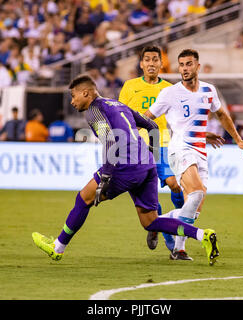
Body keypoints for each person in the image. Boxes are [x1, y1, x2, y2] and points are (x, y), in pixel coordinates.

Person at [32, 75, 220, 265]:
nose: (72, 102)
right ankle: (202, 234)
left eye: (73, 96)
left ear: (86, 93)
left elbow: (110, 140)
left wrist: (105, 177)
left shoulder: (93, 110)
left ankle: (58, 247)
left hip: (123, 166)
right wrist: (152, 158)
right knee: (150, 222)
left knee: (83, 199)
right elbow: (152, 126)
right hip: (146, 165)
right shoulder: (116, 104)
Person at [144, 49, 243, 261]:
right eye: (181, 65)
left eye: (189, 64)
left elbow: (221, 114)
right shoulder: (170, 93)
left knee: (193, 208)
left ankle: (161, 225)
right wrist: (142, 140)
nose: (184, 69)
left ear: (198, 66)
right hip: (179, 149)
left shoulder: (208, 90)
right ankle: (182, 246)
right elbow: (147, 117)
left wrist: (238, 139)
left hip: (201, 152)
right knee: (196, 193)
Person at [118, 45, 225, 259]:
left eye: (155, 60)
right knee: (150, 198)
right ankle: (163, 229)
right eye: (147, 60)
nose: (151, 63)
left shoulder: (171, 88)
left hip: (165, 144)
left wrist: (203, 136)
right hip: (139, 147)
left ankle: (174, 230)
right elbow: (121, 117)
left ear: (161, 64)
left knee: (177, 186)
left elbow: (183, 123)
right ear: (141, 64)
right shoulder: (130, 87)